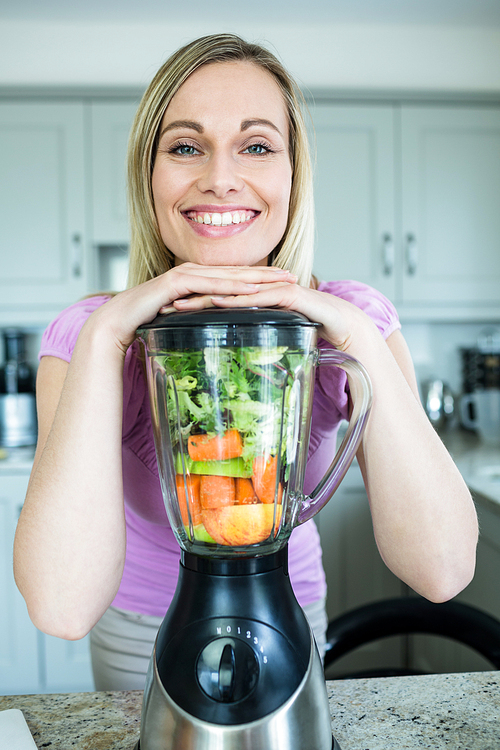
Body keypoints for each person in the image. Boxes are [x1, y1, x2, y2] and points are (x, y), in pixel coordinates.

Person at [14, 33, 478, 690]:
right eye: (184, 147)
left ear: (294, 174)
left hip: (290, 610)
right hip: (135, 634)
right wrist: (109, 331)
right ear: (149, 177)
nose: (220, 177)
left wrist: (354, 333)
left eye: (257, 146)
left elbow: (442, 569)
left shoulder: (353, 326)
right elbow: (61, 607)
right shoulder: (91, 336)